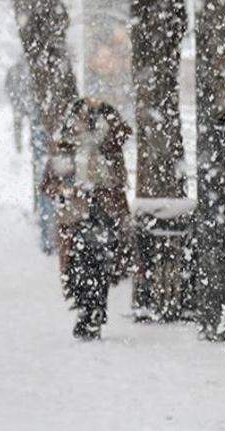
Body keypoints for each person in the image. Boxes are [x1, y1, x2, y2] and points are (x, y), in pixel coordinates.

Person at [41, 98, 132, 340]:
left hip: (106, 212)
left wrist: (107, 110)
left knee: (102, 265)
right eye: (80, 117)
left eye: (89, 117)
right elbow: (48, 184)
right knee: (78, 266)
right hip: (75, 216)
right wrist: (65, 191)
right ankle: (85, 309)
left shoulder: (108, 144)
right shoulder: (64, 148)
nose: (84, 123)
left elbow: (123, 131)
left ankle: (96, 311)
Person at [5, 59, 33, 153]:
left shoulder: (14, 71)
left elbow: (7, 86)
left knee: (19, 126)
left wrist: (13, 98)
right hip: (26, 103)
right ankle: (26, 145)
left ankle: (20, 146)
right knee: (30, 125)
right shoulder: (29, 69)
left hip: (20, 103)